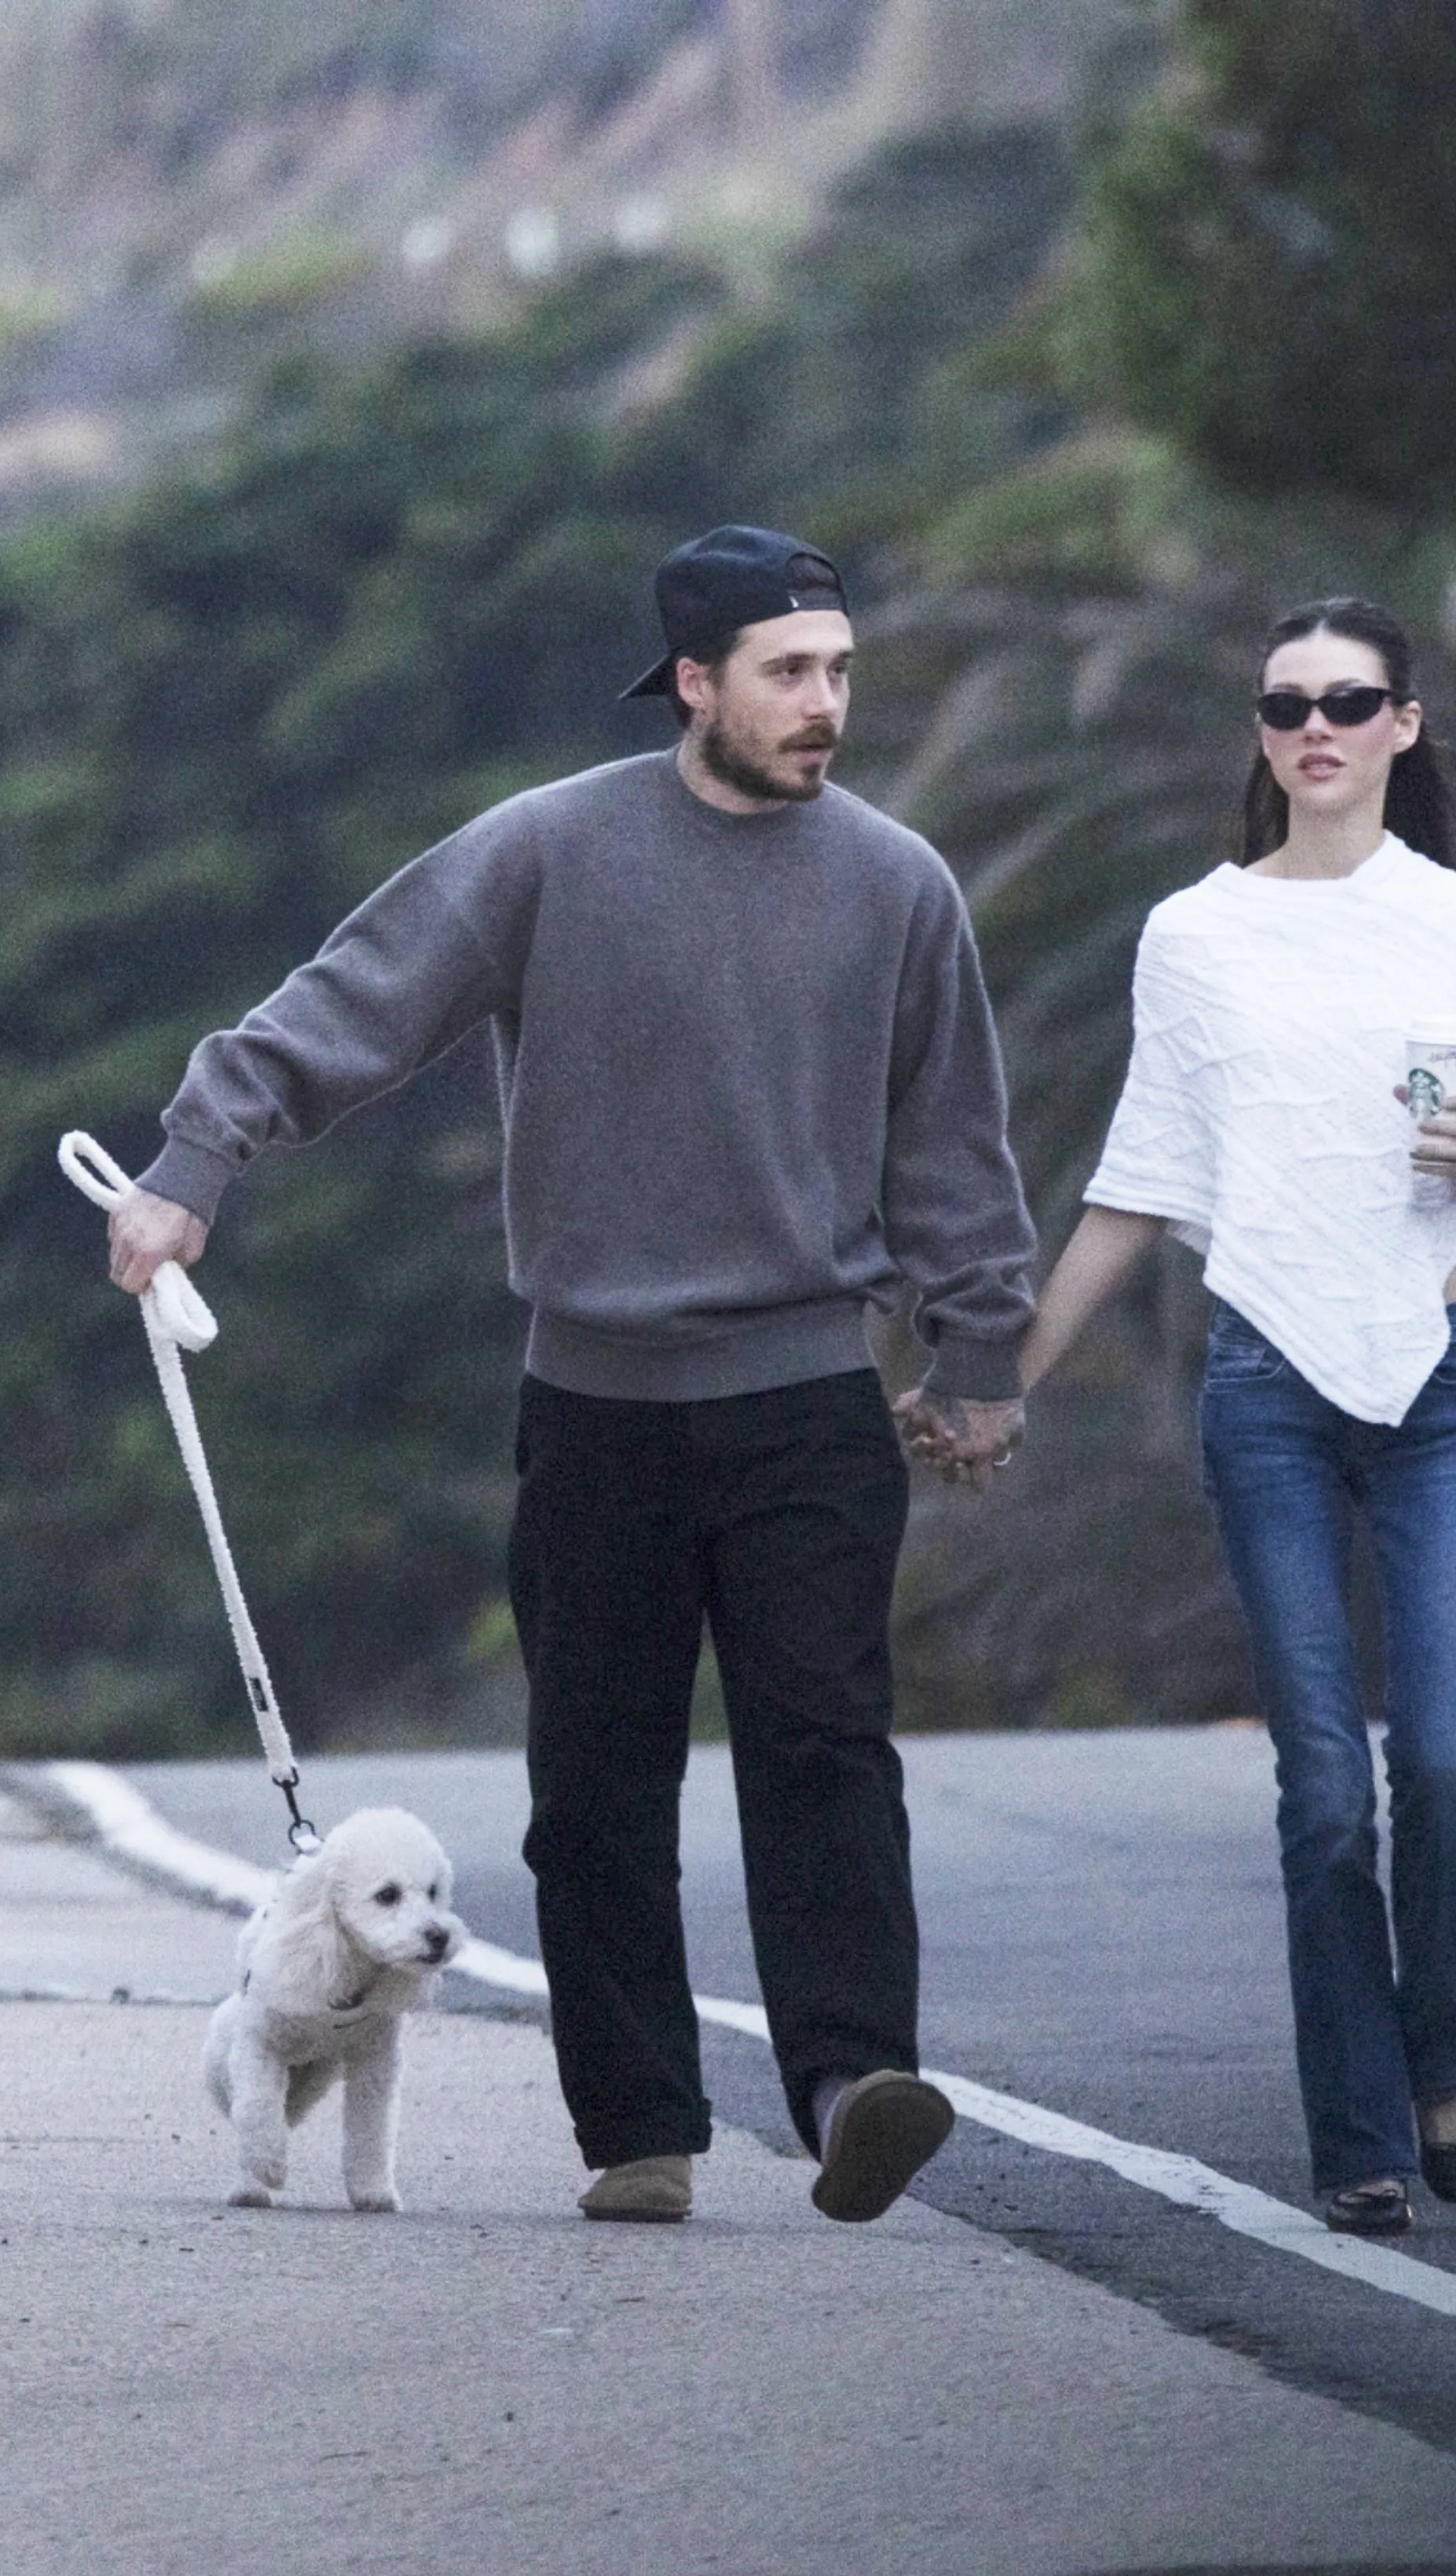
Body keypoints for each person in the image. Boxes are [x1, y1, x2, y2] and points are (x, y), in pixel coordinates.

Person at [108, 524, 1036, 2225]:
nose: (823, 703)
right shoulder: (547, 851)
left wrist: (979, 1348)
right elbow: (352, 1003)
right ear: (695, 681)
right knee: (593, 1787)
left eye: (837, 669)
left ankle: (850, 2084)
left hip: (802, 1397)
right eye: (786, 673)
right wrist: (193, 1165)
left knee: (825, 1748)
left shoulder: (897, 882)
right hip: (597, 1406)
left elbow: (953, 1144)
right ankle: (642, 2133)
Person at [1009, 598, 1456, 2235]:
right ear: (1259, 735)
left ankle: (1443, 2047)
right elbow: (1138, 1184)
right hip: (1266, 1383)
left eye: (1346, 701)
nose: (1312, 728)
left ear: (1403, 725)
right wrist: (999, 1386)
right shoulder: (1195, 935)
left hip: (1446, 1378)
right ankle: (1355, 2135)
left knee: (1448, 1767)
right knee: (1323, 1782)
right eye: (1281, 707)